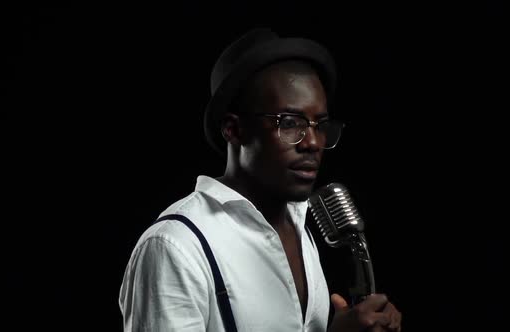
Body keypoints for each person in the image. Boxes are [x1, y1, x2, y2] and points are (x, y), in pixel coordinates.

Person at [119, 28, 402, 332]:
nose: (312, 142)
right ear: (233, 129)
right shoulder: (176, 246)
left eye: (319, 124)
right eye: (290, 123)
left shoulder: (302, 227)